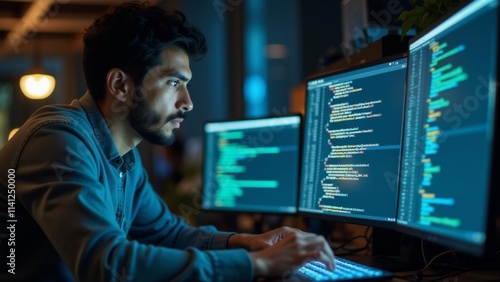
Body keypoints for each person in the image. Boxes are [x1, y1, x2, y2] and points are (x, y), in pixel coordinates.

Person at [0, 1, 335, 281]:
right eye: (175, 83)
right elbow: (105, 264)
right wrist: (257, 264)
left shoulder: (124, 159)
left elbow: (169, 234)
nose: (188, 102)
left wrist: (247, 243)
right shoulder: (58, 141)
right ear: (120, 85)